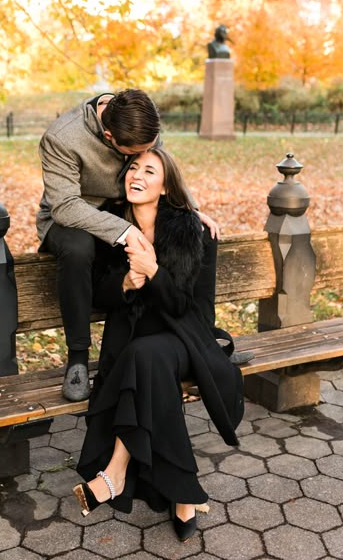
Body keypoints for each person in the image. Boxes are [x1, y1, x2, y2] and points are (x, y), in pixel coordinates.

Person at [73, 147, 244, 543]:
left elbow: (192, 308)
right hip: (138, 349)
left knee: (146, 355)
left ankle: (115, 473)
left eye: (150, 171)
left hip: (187, 340)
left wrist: (153, 272)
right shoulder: (112, 228)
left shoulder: (192, 230)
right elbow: (98, 291)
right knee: (143, 358)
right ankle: (181, 492)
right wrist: (125, 284)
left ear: (165, 186)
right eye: (134, 167)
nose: (138, 175)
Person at [37, 89, 223, 402]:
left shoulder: (139, 120)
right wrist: (124, 231)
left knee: (183, 231)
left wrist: (187, 209)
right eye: (134, 153)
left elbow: (161, 166)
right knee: (79, 246)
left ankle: (196, 344)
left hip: (126, 208)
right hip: (71, 219)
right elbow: (65, 205)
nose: (141, 155)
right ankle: (78, 360)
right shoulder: (62, 138)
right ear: (109, 136)